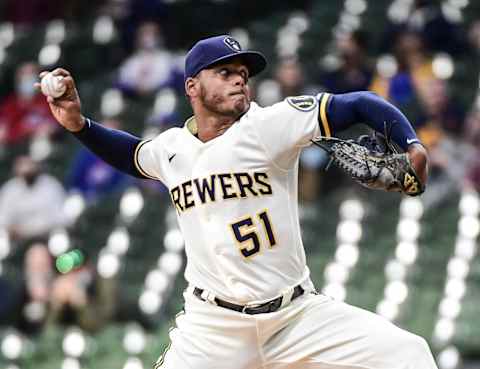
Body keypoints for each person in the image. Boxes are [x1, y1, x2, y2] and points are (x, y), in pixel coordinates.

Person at [39, 35, 436, 369]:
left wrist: (412, 145)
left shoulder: (268, 125)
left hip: (295, 317)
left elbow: (359, 103)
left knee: (410, 354)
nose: (239, 81)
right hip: (213, 327)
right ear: (192, 86)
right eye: (225, 72)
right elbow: (132, 155)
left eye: (243, 75)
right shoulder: (172, 148)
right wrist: (80, 126)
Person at [0, 155, 67, 244]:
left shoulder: (50, 185)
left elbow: (62, 217)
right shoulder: (10, 190)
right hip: (19, 241)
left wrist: (37, 229)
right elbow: (3, 220)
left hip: (48, 237)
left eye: (30, 165)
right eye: (22, 166)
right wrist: (14, 229)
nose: (27, 170)